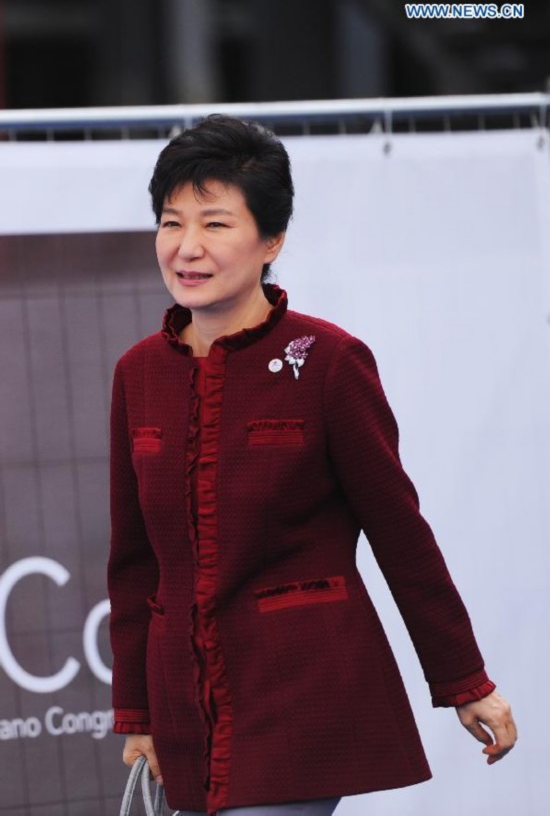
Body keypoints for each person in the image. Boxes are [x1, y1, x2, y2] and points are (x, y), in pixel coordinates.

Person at [107, 114, 517, 816]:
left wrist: (464, 679)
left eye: (215, 223)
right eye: (172, 223)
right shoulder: (138, 373)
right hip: (187, 707)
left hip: (302, 694)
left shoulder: (329, 363)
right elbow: (134, 560)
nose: (187, 247)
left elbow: (400, 535)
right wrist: (137, 709)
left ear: (271, 239)